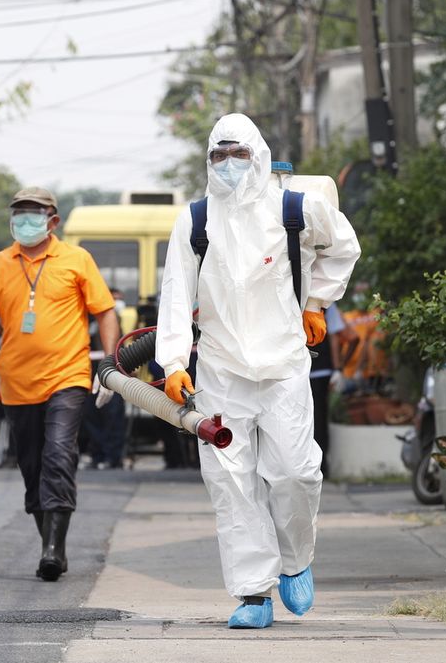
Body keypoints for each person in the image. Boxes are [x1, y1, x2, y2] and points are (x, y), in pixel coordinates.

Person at [156, 113, 360, 628]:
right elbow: (176, 293)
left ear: (260, 155)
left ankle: (295, 560)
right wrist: (175, 362)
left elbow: (344, 248)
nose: (228, 164)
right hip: (221, 372)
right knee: (230, 483)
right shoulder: (195, 220)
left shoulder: (295, 208)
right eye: (218, 155)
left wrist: (317, 302)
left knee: (295, 473)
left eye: (238, 154)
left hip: (285, 364)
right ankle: (252, 594)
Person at [0, 186, 119, 582]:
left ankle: (53, 549)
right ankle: (49, 541)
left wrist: (113, 365)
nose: (25, 221)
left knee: (59, 455)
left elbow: (105, 312)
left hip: (67, 375)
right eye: (19, 214)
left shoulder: (76, 260)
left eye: (34, 213)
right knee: (31, 464)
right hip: (16, 382)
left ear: (53, 221)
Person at [308, 305, 359, 479]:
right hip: (319, 370)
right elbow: (347, 337)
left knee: (313, 419)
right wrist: (338, 367)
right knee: (318, 419)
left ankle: (318, 466)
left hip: (307, 370)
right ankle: (319, 467)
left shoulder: (325, 304)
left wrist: (338, 367)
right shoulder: (325, 303)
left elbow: (340, 336)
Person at [82, 287, 127, 469]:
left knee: (113, 416)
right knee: (91, 416)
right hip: (89, 374)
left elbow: (120, 344)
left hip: (110, 373)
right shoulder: (86, 318)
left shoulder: (112, 319)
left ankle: (112, 457)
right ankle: (97, 454)